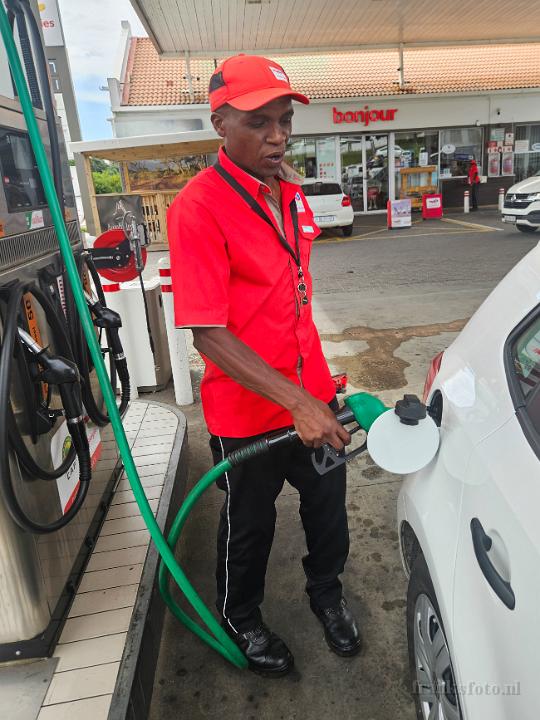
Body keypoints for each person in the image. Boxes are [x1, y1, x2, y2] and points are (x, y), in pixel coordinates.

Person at [168, 54, 361, 677]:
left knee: (328, 508)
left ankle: (327, 595)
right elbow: (208, 333)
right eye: (258, 122)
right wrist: (297, 403)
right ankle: (241, 617)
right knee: (249, 526)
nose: (277, 137)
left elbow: (292, 297)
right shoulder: (198, 207)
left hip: (314, 393)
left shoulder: (293, 193)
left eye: (284, 121)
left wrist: (316, 395)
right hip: (248, 411)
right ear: (220, 124)